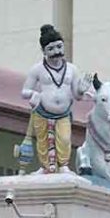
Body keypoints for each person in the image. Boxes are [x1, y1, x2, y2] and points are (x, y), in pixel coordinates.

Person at [21, 24, 91, 174]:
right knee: (42, 140)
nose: (56, 52)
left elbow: (77, 96)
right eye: (51, 49)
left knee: (65, 139)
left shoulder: (72, 69)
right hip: (42, 111)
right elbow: (24, 91)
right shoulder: (37, 69)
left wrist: (81, 89)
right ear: (44, 51)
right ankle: (45, 166)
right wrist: (34, 95)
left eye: (59, 47)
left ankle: (64, 164)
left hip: (63, 113)